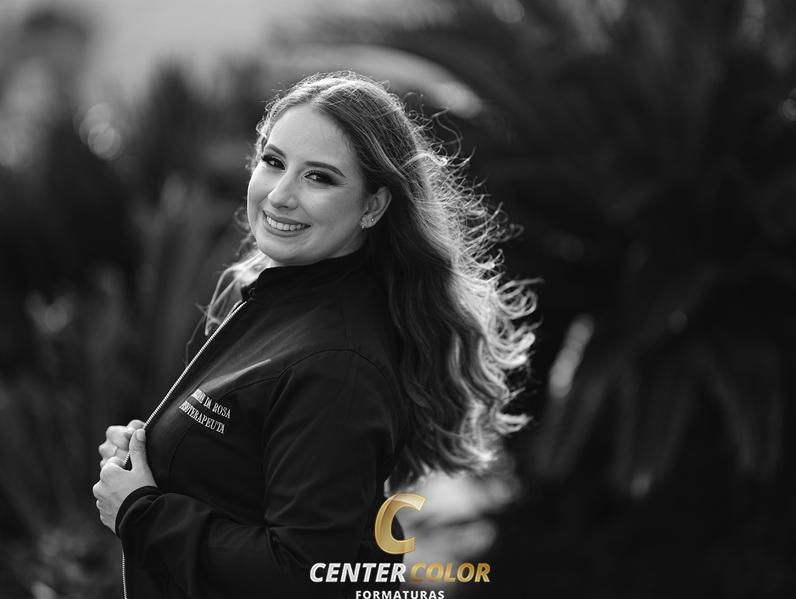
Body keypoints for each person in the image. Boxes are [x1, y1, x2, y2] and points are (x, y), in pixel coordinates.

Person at [92, 70, 536, 598]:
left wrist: (141, 511)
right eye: (273, 161)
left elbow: (305, 575)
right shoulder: (282, 300)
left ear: (373, 205)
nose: (281, 195)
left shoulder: (338, 362)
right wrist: (151, 458)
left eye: (319, 177)